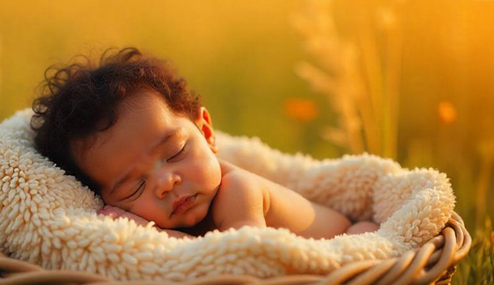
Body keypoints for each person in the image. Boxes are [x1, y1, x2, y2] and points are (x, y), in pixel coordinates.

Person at [31, 47, 379, 239]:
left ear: (207, 133)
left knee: (368, 238)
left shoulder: (238, 191)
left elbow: (245, 262)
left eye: (175, 153)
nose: (167, 182)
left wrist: (155, 237)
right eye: (133, 187)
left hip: (348, 238)